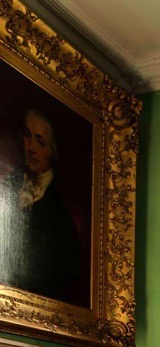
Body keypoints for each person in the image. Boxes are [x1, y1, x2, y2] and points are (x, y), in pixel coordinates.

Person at [0, 108, 82, 304]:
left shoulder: (63, 218)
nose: (31, 148)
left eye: (41, 142)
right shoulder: (7, 186)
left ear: (52, 151)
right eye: (27, 136)